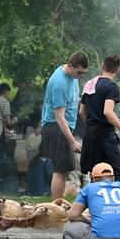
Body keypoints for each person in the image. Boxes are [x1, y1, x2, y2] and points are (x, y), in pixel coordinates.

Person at [40, 51, 89, 199]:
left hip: (62, 128)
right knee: (60, 170)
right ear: (70, 66)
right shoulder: (59, 84)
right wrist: (72, 140)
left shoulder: (70, 74)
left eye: (83, 74)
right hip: (55, 127)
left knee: (64, 169)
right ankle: (57, 207)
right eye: (79, 72)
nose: (80, 77)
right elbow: (59, 116)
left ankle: (58, 203)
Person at [79, 55, 120, 182]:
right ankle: (119, 201)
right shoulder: (112, 87)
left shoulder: (90, 85)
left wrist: (92, 124)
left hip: (91, 135)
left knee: (96, 174)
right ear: (117, 69)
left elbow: (81, 111)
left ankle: (96, 201)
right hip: (105, 136)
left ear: (102, 66)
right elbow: (108, 112)